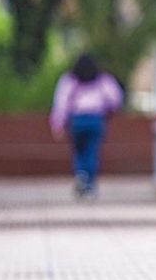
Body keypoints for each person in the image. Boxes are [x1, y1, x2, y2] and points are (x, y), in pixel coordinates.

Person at [50, 53, 124, 199]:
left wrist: (58, 124)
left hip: (77, 120)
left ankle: (81, 174)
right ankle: (89, 183)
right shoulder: (103, 79)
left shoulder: (70, 80)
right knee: (92, 151)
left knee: (79, 150)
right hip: (96, 119)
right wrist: (109, 111)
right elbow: (115, 99)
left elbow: (62, 102)